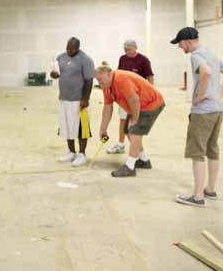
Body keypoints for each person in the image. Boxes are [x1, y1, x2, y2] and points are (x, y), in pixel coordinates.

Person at [171, 27, 223, 207]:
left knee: (197, 152)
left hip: (203, 112)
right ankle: (210, 189)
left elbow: (205, 72)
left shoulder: (196, 55)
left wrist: (200, 96)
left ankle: (198, 197)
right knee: (212, 149)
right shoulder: (210, 53)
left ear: (188, 41)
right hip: (216, 110)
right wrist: (218, 94)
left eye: (180, 43)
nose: (179, 47)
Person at [95, 65, 165, 177]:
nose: (99, 83)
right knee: (127, 130)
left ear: (109, 74)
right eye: (97, 80)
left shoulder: (120, 79)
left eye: (100, 79)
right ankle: (143, 160)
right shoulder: (106, 87)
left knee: (134, 131)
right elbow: (107, 108)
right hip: (138, 106)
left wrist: (135, 120)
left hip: (151, 104)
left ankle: (130, 167)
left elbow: (134, 99)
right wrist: (103, 129)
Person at [50, 37, 95, 167]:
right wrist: (54, 74)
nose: (69, 50)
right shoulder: (61, 57)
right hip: (64, 98)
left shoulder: (85, 60)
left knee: (82, 128)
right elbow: (56, 74)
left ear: (78, 47)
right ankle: (71, 152)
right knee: (66, 126)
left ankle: (82, 154)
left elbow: (89, 80)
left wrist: (86, 98)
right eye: (67, 48)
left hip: (79, 100)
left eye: (72, 48)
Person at [107, 40, 155, 155]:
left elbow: (150, 77)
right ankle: (121, 144)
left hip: (137, 97)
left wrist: (150, 92)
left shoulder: (143, 60)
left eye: (128, 49)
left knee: (134, 123)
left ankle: (138, 151)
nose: (126, 51)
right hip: (124, 96)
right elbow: (118, 73)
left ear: (135, 48)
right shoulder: (122, 58)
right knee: (123, 119)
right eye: (125, 49)